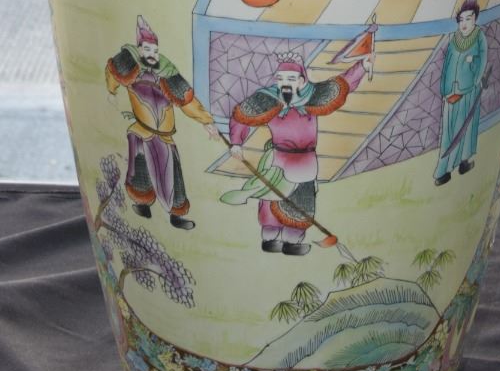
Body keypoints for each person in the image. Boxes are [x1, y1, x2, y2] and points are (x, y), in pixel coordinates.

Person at [229, 52, 370, 254]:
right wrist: (236, 143)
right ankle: (269, 238)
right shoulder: (268, 98)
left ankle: (292, 242)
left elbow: (343, 83)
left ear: (302, 81)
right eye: (281, 78)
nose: (285, 83)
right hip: (278, 158)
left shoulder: (313, 96)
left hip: (305, 160)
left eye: (290, 78)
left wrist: (362, 65)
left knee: (301, 200)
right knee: (271, 198)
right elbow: (240, 116)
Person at [104, 15, 220, 230]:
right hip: (141, 129)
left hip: (164, 134)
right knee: (139, 168)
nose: (151, 54)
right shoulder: (129, 65)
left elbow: (187, 100)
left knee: (172, 173)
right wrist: (111, 91)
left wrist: (206, 121)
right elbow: (112, 72)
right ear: (139, 49)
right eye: (147, 50)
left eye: (154, 51)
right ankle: (141, 202)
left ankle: (176, 215)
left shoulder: (167, 72)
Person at [434, 0, 488, 186]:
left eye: (469, 18)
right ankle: (443, 169)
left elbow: (482, 59)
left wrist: (474, 76)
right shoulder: (454, 39)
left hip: (469, 90)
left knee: (466, 127)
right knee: (450, 131)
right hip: (451, 92)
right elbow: (447, 64)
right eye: (462, 19)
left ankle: (463, 162)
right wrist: (444, 89)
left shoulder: (478, 36)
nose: (465, 23)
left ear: (475, 19)